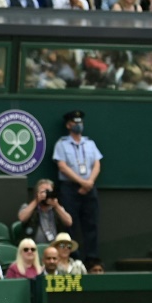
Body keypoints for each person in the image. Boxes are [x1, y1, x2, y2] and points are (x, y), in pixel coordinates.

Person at [52, 110, 102, 261]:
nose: (78, 125)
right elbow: (62, 166)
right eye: (75, 122)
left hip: (90, 187)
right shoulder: (62, 144)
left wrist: (89, 183)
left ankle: (92, 259)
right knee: (70, 225)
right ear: (68, 125)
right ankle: (72, 258)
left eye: (80, 122)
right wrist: (81, 182)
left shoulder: (90, 143)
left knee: (91, 224)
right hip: (70, 188)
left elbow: (97, 165)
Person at [17, 179, 73, 243]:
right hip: (33, 247)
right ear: (37, 193)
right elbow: (22, 218)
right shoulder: (29, 206)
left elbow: (69, 222)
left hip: (54, 248)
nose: (46, 194)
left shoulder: (57, 208)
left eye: (49, 191)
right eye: (43, 192)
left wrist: (56, 206)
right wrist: (36, 200)